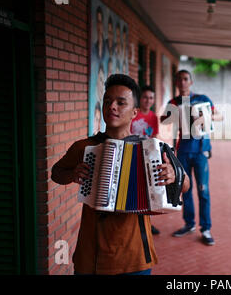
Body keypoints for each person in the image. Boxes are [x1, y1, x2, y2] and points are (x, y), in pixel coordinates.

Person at [51, 74, 189, 275]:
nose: (112, 106)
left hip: (134, 256)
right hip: (92, 255)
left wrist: (173, 175)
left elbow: (185, 184)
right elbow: (56, 172)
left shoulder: (151, 149)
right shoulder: (85, 147)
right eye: (107, 101)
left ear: (134, 112)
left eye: (120, 103)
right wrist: (72, 173)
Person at [161, 69, 221, 246]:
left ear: (191, 81)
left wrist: (206, 117)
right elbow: (163, 120)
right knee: (184, 188)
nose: (182, 82)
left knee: (203, 190)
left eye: (185, 79)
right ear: (176, 83)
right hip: (183, 150)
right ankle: (189, 224)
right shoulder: (173, 102)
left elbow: (219, 115)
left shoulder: (203, 99)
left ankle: (206, 228)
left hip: (201, 150)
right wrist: (174, 116)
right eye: (179, 79)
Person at [130, 85, 160, 235]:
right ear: (140, 98)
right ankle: (132, 221)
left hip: (146, 157)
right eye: (145, 97)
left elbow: (154, 138)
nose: (148, 100)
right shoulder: (133, 114)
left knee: (148, 191)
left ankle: (147, 222)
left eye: (151, 98)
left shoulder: (154, 117)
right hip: (131, 155)